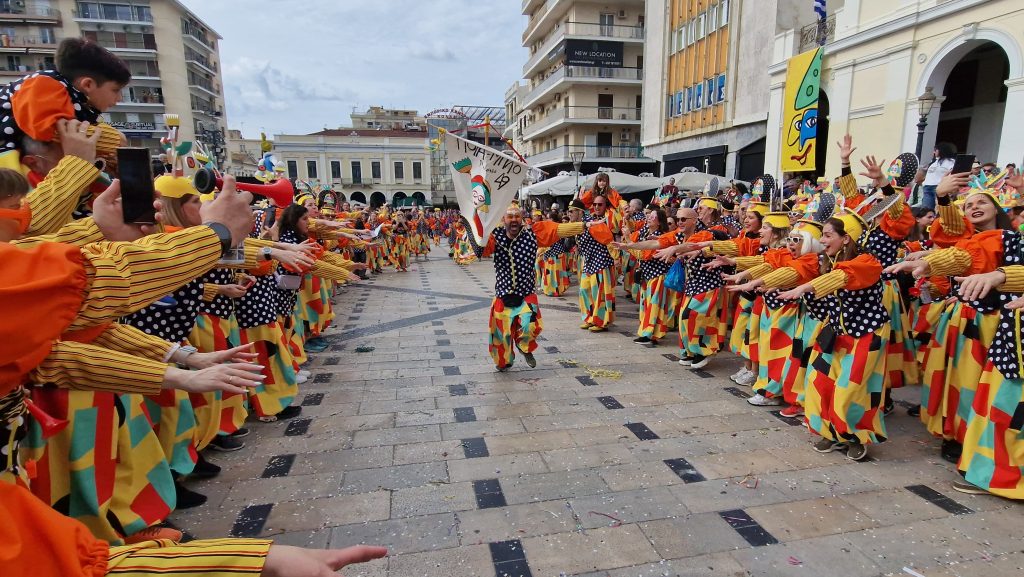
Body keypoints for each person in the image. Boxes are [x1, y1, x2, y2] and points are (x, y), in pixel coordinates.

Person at [777, 211, 889, 461]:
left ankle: (854, 436)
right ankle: (830, 431)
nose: (823, 240)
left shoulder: (868, 261)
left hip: (866, 334)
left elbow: (842, 278)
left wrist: (806, 287)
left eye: (828, 235)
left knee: (850, 389)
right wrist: (753, 281)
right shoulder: (827, 260)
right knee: (819, 383)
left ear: (846, 238)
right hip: (834, 333)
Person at [472, 204, 585, 370]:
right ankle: (504, 361)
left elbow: (556, 230)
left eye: (517, 216)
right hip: (503, 294)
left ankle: (523, 346)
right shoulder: (495, 236)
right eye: (510, 217)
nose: (514, 220)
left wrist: (583, 225)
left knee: (530, 325)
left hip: (526, 293)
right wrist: (473, 220)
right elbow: (480, 250)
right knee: (501, 335)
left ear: (522, 219)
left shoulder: (532, 234)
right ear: (503, 220)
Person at [570, 196, 617, 332]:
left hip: (601, 261)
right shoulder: (578, 225)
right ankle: (590, 318)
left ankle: (601, 321)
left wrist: (616, 258)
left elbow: (608, 240)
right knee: (584, 290)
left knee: (598, 293)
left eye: (572, 211)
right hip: (589, 262)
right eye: (569, 211)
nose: (569, 214)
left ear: (580, 212)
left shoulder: (592, 222)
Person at [916, 141, 956, 210]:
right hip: (927, 188)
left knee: (939, 209)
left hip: (938, 188)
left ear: (941, 150)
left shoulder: (951, 162)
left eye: (935, 150)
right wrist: (924, 183)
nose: (934, 152)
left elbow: (952, 173)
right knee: (926, 209)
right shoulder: (934, 162)